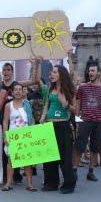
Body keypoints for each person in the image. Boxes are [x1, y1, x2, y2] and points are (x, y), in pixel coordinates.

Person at [40, 65, 76, 193]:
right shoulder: (51, 88)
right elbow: (46, 105)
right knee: (49, 156)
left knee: (65, 157)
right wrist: (43, 117)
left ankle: (68, 184)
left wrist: (65, 103)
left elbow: (75, 109)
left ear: (61, 74)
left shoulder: (69, 89)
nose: (52, 74)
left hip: (63, 125)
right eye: (51, 72)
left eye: (55, 72)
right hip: (49, 124)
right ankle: (51, 183)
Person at [74, 64, 101, 181]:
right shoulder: (82, 87)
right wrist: (76, 118)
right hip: (85, 121)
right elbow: (78, 103)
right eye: (89, 71)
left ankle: (91, 171)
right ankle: (74, 169)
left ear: (98, 73)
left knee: (95, 147)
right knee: (79, 145)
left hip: (98, 122)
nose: (90, 73)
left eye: (93, 71)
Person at [2, 83, 36, 191]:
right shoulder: (8, 105)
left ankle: (30, 184)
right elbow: (5, 122)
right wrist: (5, 136)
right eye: (15, 90)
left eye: (20, 89)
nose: (17, 91)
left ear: (23, 92)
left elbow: (31, 120)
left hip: (25, 135)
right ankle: (8, 183)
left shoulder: (27, 104)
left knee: (27, 162)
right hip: (13, 135)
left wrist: (33, 134)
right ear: (12, 92)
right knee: (11, 161)